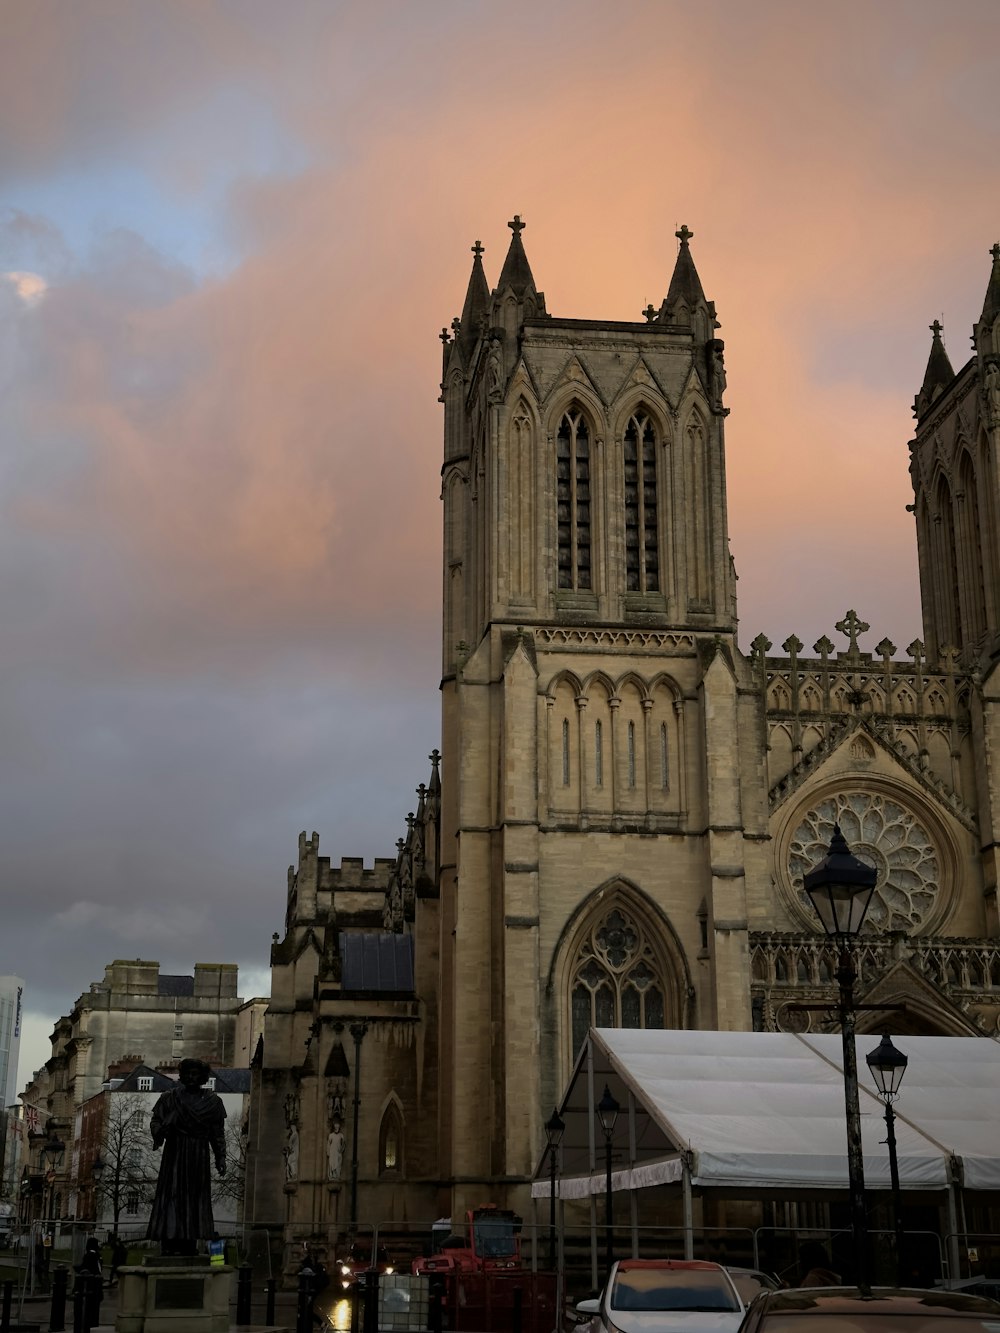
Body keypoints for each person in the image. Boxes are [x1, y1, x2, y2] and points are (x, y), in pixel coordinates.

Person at [146, 1057, 227, 1257]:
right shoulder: (169, 1098)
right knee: (173, 1195)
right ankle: (170, 1241)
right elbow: (155, 1122)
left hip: (198, 1154)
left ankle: (189, 1241)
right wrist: (163, 1128)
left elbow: (217, 1134)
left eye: (195, 1074)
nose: (191, 1077)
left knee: (194, 1197)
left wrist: (220, 1157)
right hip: (175, 1152)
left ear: (203, 1077)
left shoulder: (213, 1102)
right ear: (181, 1076)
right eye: (188, 1073)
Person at [77, 1236, 103, 1327]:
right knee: (95, 1307)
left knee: (89, 1307)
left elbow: (85, 1268)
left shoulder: (89, 1256)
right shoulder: (98, 1255)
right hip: (97, 1284)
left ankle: (89, 1323)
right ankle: (94, 1323)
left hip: (90, 1284)